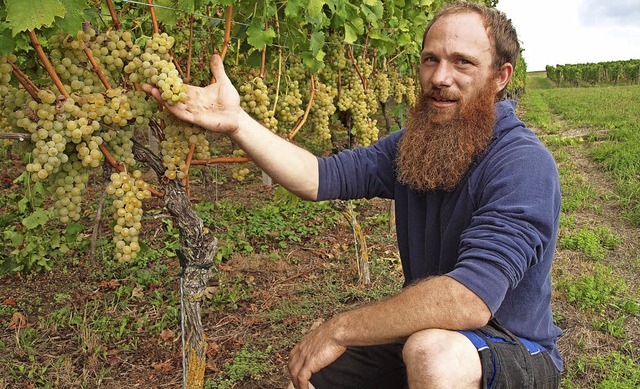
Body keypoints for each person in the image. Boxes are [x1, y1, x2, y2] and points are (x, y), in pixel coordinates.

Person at [143, 1, 563, 388]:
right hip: (431, 332)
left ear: (500, 77)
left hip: (512, 347)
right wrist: (237, 123)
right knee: (309, 376)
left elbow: (469, 300)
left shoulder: (523, 164)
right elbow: (318, 177)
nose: (439, 77)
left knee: (433, 356)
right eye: (430, 59)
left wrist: (338, 328)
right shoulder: (416, 144)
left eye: (462, 63)